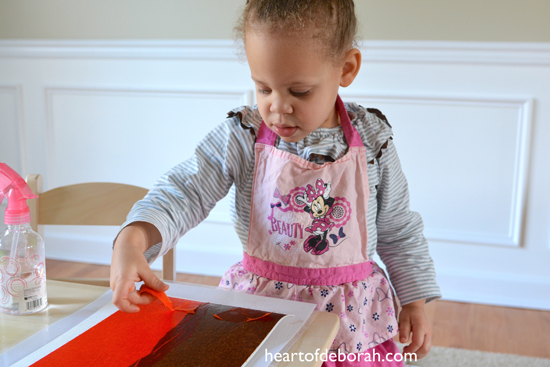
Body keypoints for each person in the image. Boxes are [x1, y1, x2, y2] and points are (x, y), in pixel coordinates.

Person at [110, 0, 441, 365]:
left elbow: (398, 228)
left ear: (346, 68)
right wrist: (134, 238)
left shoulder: (373, 139)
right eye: (264, 88)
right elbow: (185, 190)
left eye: (299, 91)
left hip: (353, 319)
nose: (278, 107)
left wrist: (414, 300)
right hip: (262, 309)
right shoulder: (243, 136)